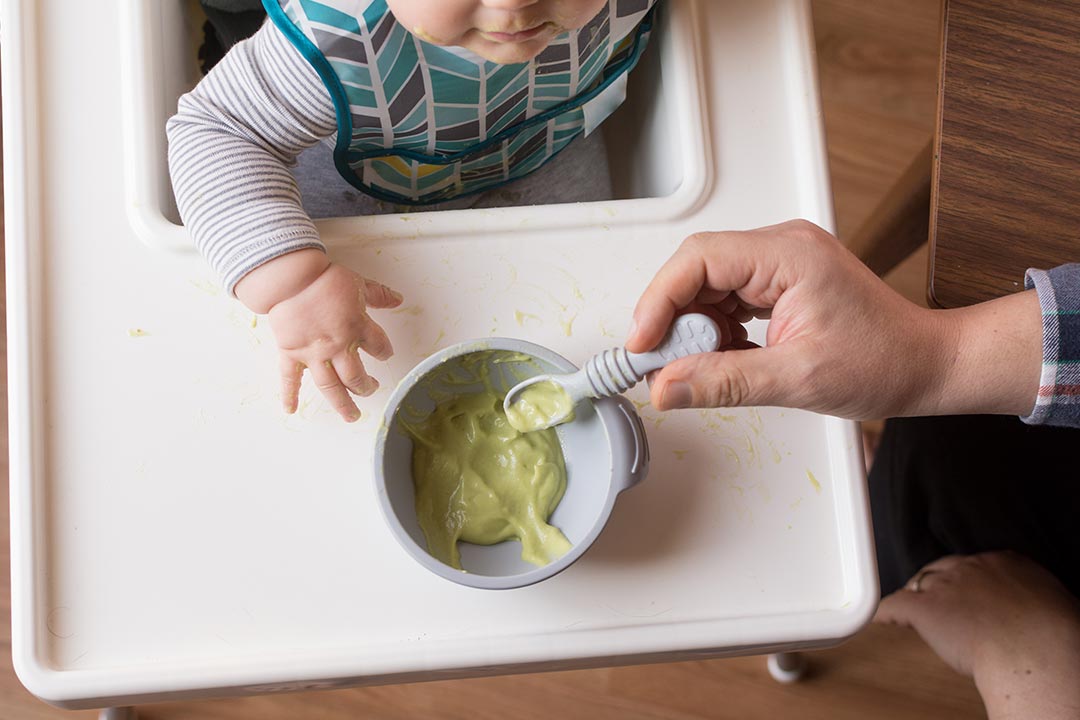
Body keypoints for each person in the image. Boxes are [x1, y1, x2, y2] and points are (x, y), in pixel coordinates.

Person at [627, 219, 1080, 717]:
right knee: (936, 451)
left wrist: (1028, 656)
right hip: (1005, 429)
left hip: (1017, 585)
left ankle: (884, 490)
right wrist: (940, 356)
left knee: (902, 524)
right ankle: (886, 470)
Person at [167, 0, 659, 421]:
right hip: (351, 173)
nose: (515, 4)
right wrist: (292, 284)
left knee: (598, 303)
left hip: (542, 142)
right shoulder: (342, 35)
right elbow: (218, 129)